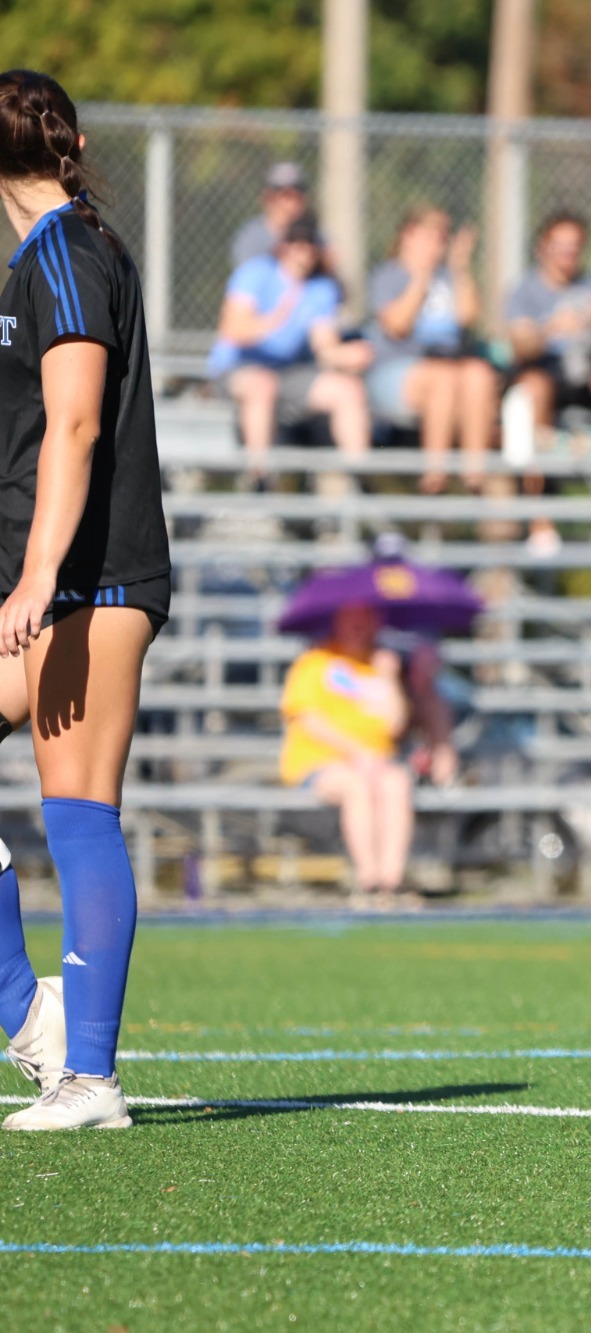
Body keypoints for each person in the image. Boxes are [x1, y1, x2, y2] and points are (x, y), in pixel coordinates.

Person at [0, 70, 172, 1130]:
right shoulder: (36, 256)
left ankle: (90, 1077)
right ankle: (30, 1017)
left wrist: (31, 576)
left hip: (91, 576)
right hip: (50, 575)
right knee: (75, 811)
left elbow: (72, 427)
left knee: (80, 812)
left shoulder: (67, 250)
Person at [209, 217, 373, 484]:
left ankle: (360, 483)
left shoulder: (321, 288)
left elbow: (325, 345)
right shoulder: (256, 273)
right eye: (295, 243)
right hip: (238, 369)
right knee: (262, 384)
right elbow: (232, 330)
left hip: (287, 374)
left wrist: (347, 355)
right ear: (282, 246)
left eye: (309, 244)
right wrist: (275, 318)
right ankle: (259, 480)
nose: (302, 251)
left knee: (347, 390)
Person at [280, 604, 414, 903]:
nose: (359, 626)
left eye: (366, 619)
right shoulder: (315, 662)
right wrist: (356, 753)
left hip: (376, 762)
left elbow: (396, 724)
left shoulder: (380, 666)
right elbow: (306, 719)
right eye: (352, 619)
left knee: (397, 782)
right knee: (356, 785)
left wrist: (390, 677)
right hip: (320, 762)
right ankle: (368, 880)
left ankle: (391, 882)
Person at [365, 206, 500, 494]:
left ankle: (474, 478)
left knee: (479, 373)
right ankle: (434, 477)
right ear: (408, 235)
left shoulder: (450, 276)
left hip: (453, 369)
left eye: (443, 236)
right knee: (442, 377)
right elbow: (398, 325)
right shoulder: (388, 276)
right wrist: (422, 276)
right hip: (399, 374)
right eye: (430, 234)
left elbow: (469, 317)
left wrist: (461, 266)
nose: (439, 242)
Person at [504, 212, 591, 442]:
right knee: (534, 385)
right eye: (561, 245)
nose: (569, 252)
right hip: (547, 373)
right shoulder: (524, 291)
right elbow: (521, 347)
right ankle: (538, 473)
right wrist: (550, 329)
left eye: (575, 245)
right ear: (543, 248)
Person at [230, 161, 310, 268]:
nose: (292, 205)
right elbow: (248, 277)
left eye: (298, 197)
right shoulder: (251, 238)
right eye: (286, 196)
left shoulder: (312, 237)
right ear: (268, 198)